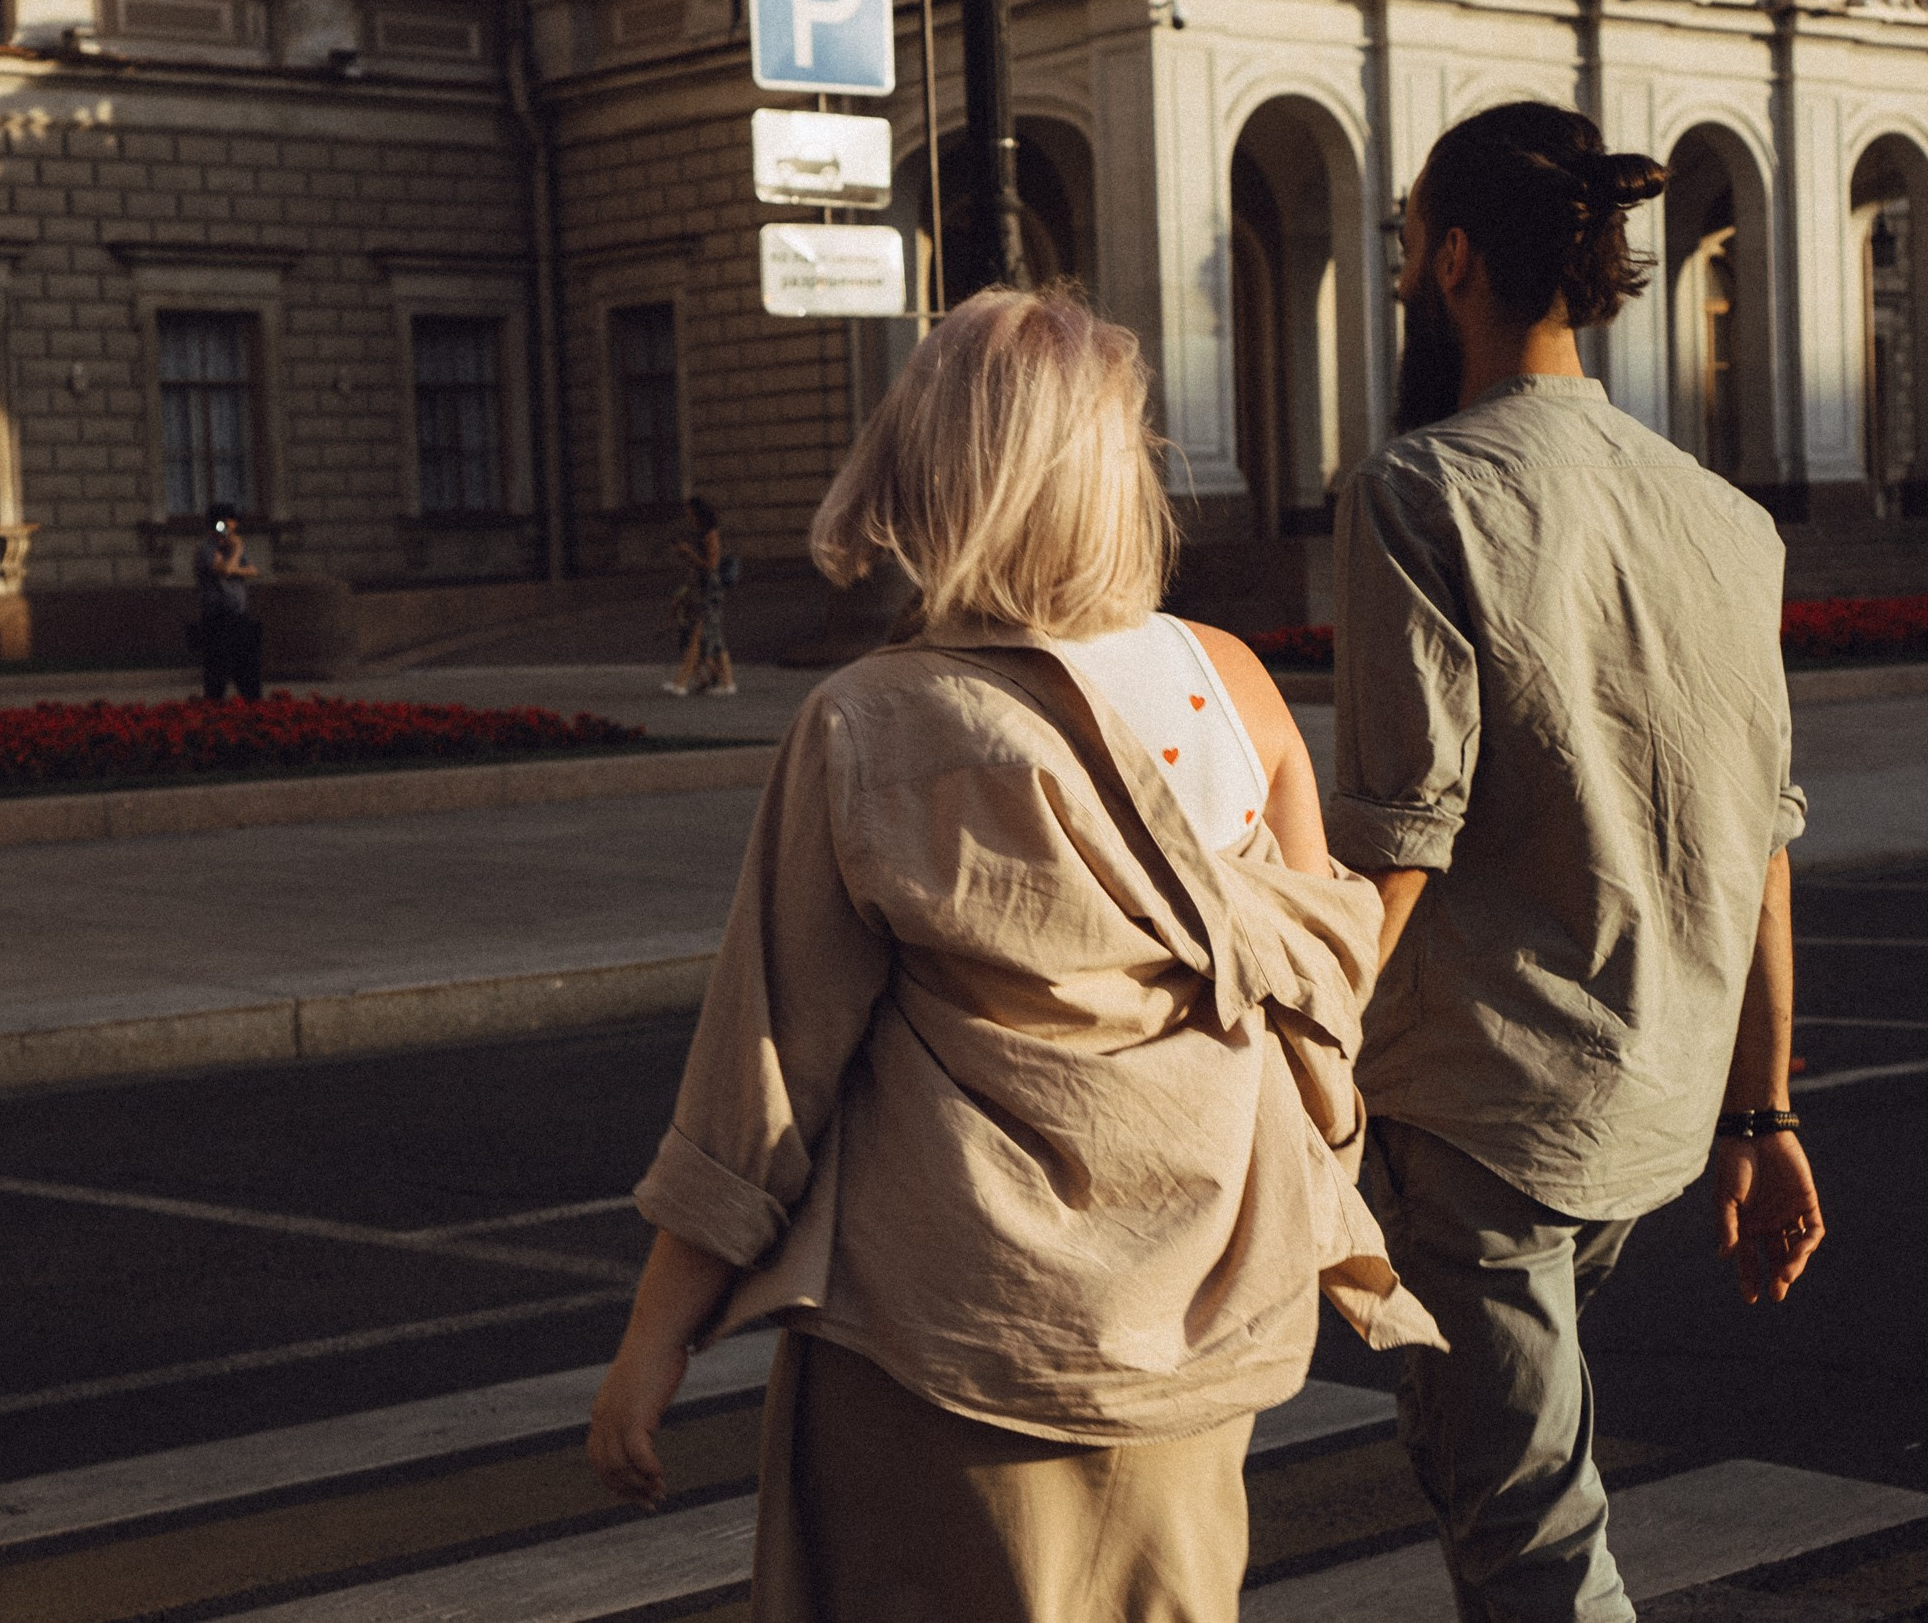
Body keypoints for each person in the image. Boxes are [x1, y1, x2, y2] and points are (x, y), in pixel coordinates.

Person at [587, 287, 1442, 1623]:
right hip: (1198, 1322)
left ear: (932, 472)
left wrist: (652, 1342)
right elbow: (1319, 1006)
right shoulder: (1235, 682)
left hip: (937, 1326)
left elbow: (768, 1059)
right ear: (1118, 473)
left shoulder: (870, 720)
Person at [1330, 100, 1825, 1620]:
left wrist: (1292, 1049)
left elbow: (1403, 837)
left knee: (1533, 1545)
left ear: (1457, 256)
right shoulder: (1727, 520)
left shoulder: (1417, 493)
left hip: (1482, 1114)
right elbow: (1760, 842)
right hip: (1655, 1109)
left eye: (1410, 243)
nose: (1406, 272)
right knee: (1499, 1490)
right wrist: (1765, 1109)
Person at [665, 496, 737, 696]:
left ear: (699, 513)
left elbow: (711, 566)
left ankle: (680, 683)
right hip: (702, 589)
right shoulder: (701, 534)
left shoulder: (711, 535)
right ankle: (727, 683)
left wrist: (690, 554)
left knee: (698, 635)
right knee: (714, 638)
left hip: (710, 590)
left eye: (690, 512)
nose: (688, 516)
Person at [191, 503, 262, 702]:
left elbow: (252, 571)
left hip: (238, 616)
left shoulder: (228, 548)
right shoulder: (206, 548)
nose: (234, 526)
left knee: (247, 669)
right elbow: (223, 570)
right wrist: (237, 550)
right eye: (230, 522)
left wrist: (233, 567)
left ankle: (253, 704)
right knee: (217, 673)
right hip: (217, 618)